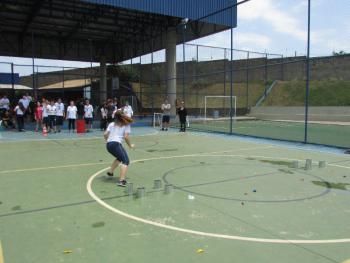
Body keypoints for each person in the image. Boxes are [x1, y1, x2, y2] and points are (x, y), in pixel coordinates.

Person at [104, 111, 134, 187]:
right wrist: (130, 145)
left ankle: (110, 172)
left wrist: (108, 140)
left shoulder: (111, 124)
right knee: (126, 161)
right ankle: (122, 180)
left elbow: (105, 134)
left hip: (108, 145)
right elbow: (126, 137)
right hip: (116, 144)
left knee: (119, 158)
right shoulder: (126, 124)